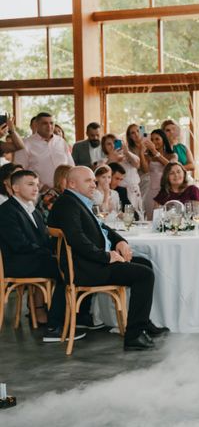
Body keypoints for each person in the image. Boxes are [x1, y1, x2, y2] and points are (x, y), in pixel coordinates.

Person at [48, 166, 168, 351]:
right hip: (87, 269)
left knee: (144, 263)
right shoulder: (67, 204)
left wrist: (120, 242)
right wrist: (106, 256)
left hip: (92, 263)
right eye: (88, 181)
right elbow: (78, 241)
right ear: (72, 183)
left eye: (93, 180)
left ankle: (142, 323)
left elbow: (101, 228)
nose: (94, 184)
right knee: (144, 275)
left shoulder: (78, 201)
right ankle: (134, 335)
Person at [0, 170, 73, 342]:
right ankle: (55, 325)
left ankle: (71, 316)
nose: (36, 188)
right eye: (30, 184)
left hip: (34, 258)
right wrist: (51, 255)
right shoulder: (6, 211)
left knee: (71, 261)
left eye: (37, 184)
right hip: (18, 263)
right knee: (68, 268)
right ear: (16, 188)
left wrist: (58, 251)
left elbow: (44, 240)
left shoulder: (32, 209)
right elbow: (20, 244)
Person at [14, 112, 74, 191]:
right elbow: (20, 171)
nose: (49, 126)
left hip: (65, 190)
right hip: (39, 192)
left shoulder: (61, 141)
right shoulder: (26, 144)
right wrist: (41, 186)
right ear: (37, 125)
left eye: (51, 123)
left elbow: (71, 165)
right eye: (45, 123)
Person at [96, 133, 142, 211]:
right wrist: (111, 159)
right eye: (108, 144)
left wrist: (126, 152)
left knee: (136, 214)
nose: (113, 146)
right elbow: (99, 175)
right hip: (115, 191)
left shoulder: (127, 156)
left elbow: (137, 164)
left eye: (115, 142)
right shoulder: (103, 161)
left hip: (133, 191)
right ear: (104, 147)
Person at [139, 128, 177, 219]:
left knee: (168, 219)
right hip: (152, 192)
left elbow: (171, 167)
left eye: (157, 139)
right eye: (151, 139)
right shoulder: (148, 156)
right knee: (151, 220)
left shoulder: (172, 155)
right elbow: (145, 170)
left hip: (168, 191)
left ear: (163, 140)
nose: (154, 142)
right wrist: (141, 152)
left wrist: (155, 152)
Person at [125, 124, 149, 211]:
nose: (136, 134)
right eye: (133, 133)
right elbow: (144, 169)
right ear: (130, 136)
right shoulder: (129, 150)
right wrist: (141, 153)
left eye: (138, 131)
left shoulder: (149, 144)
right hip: (139, 178)